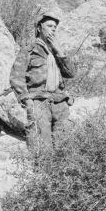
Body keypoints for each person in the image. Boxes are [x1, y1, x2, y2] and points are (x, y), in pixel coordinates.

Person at [10, 11, 75, 152]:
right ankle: (43, 173)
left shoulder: (56, 51)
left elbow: (70, 73)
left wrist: (61, 52)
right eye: (50, 26)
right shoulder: (29, 51)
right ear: (39, 28)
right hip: (39, 102)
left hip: (60, 102)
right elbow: (16, 77)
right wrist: (26, 100)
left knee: (65, 144)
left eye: (55, 27)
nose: (53, 29)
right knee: (41, 144)